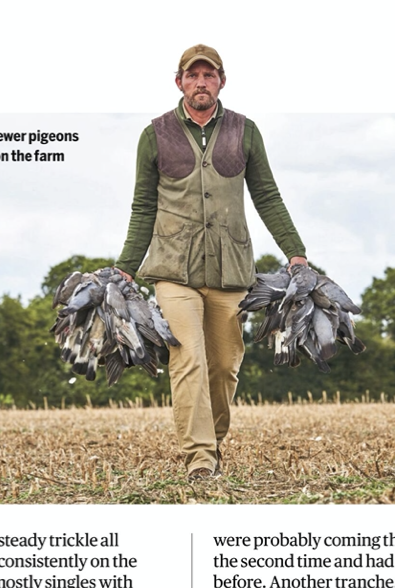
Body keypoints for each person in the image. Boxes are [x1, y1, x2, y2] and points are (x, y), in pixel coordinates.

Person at [115, 46, 308, 488]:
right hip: (173, 270)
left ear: (222, 80)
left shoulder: (246, 131)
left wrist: (294, 252)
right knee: (189, 360)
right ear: (179, 81)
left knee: (224, 366)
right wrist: (127, 266)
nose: (201, 82)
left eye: (209, 75)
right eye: (192, 75)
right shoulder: (155, 134)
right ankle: (199, 458)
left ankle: (213, 441)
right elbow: (143, 205)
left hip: (230, 269)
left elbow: (268, 197)